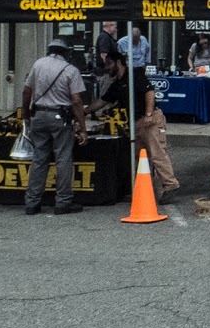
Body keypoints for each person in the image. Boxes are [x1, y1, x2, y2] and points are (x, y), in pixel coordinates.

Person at [103, 50, 180, 204]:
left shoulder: (135, 75)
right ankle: (144, 188)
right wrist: (85, 111)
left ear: (119, 62)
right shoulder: (117, 84)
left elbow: (150, 92)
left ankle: (171, 185)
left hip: (150, 120)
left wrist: (149, 114)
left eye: (109, 63)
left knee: (157, 152)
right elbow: (103, 100)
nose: (107, 67)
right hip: (135, 122)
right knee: (139, 157)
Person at [21, 38, 87, 216]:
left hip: (39, 115)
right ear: (66, 53)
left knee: (39, 159)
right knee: (63, 159)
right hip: (60, 117)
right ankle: (63, 202)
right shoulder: (71, 70)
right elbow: (76, 100)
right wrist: (82, 127)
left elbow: (26, 92)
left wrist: (26, 115)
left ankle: (32, 203)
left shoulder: (38, 65)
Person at [94, 21, 119, 97]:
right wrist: (112, 69)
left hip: (107, 72)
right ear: (109, 26)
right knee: (106, 95)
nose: (116, 30)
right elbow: (104, 55)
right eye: (115, 27)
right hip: (106, 73)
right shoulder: (104, 37)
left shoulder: (108, 38)